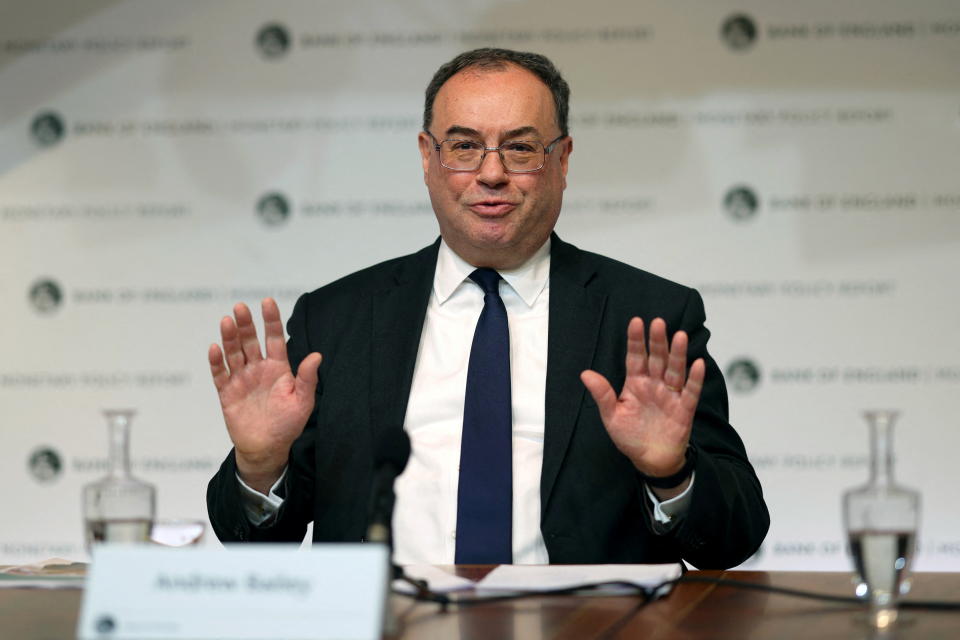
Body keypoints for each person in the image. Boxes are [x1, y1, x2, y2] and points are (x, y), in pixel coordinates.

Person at [207, 48, 768, 568]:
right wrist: (260, 466)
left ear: (563, 159)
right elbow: (254, 543)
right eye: (464, 146)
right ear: (428, 158)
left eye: (521, 147)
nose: (492, 172)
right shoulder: (336, 320)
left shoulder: (648, 318)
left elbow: (734, 539)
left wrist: (670, 473)